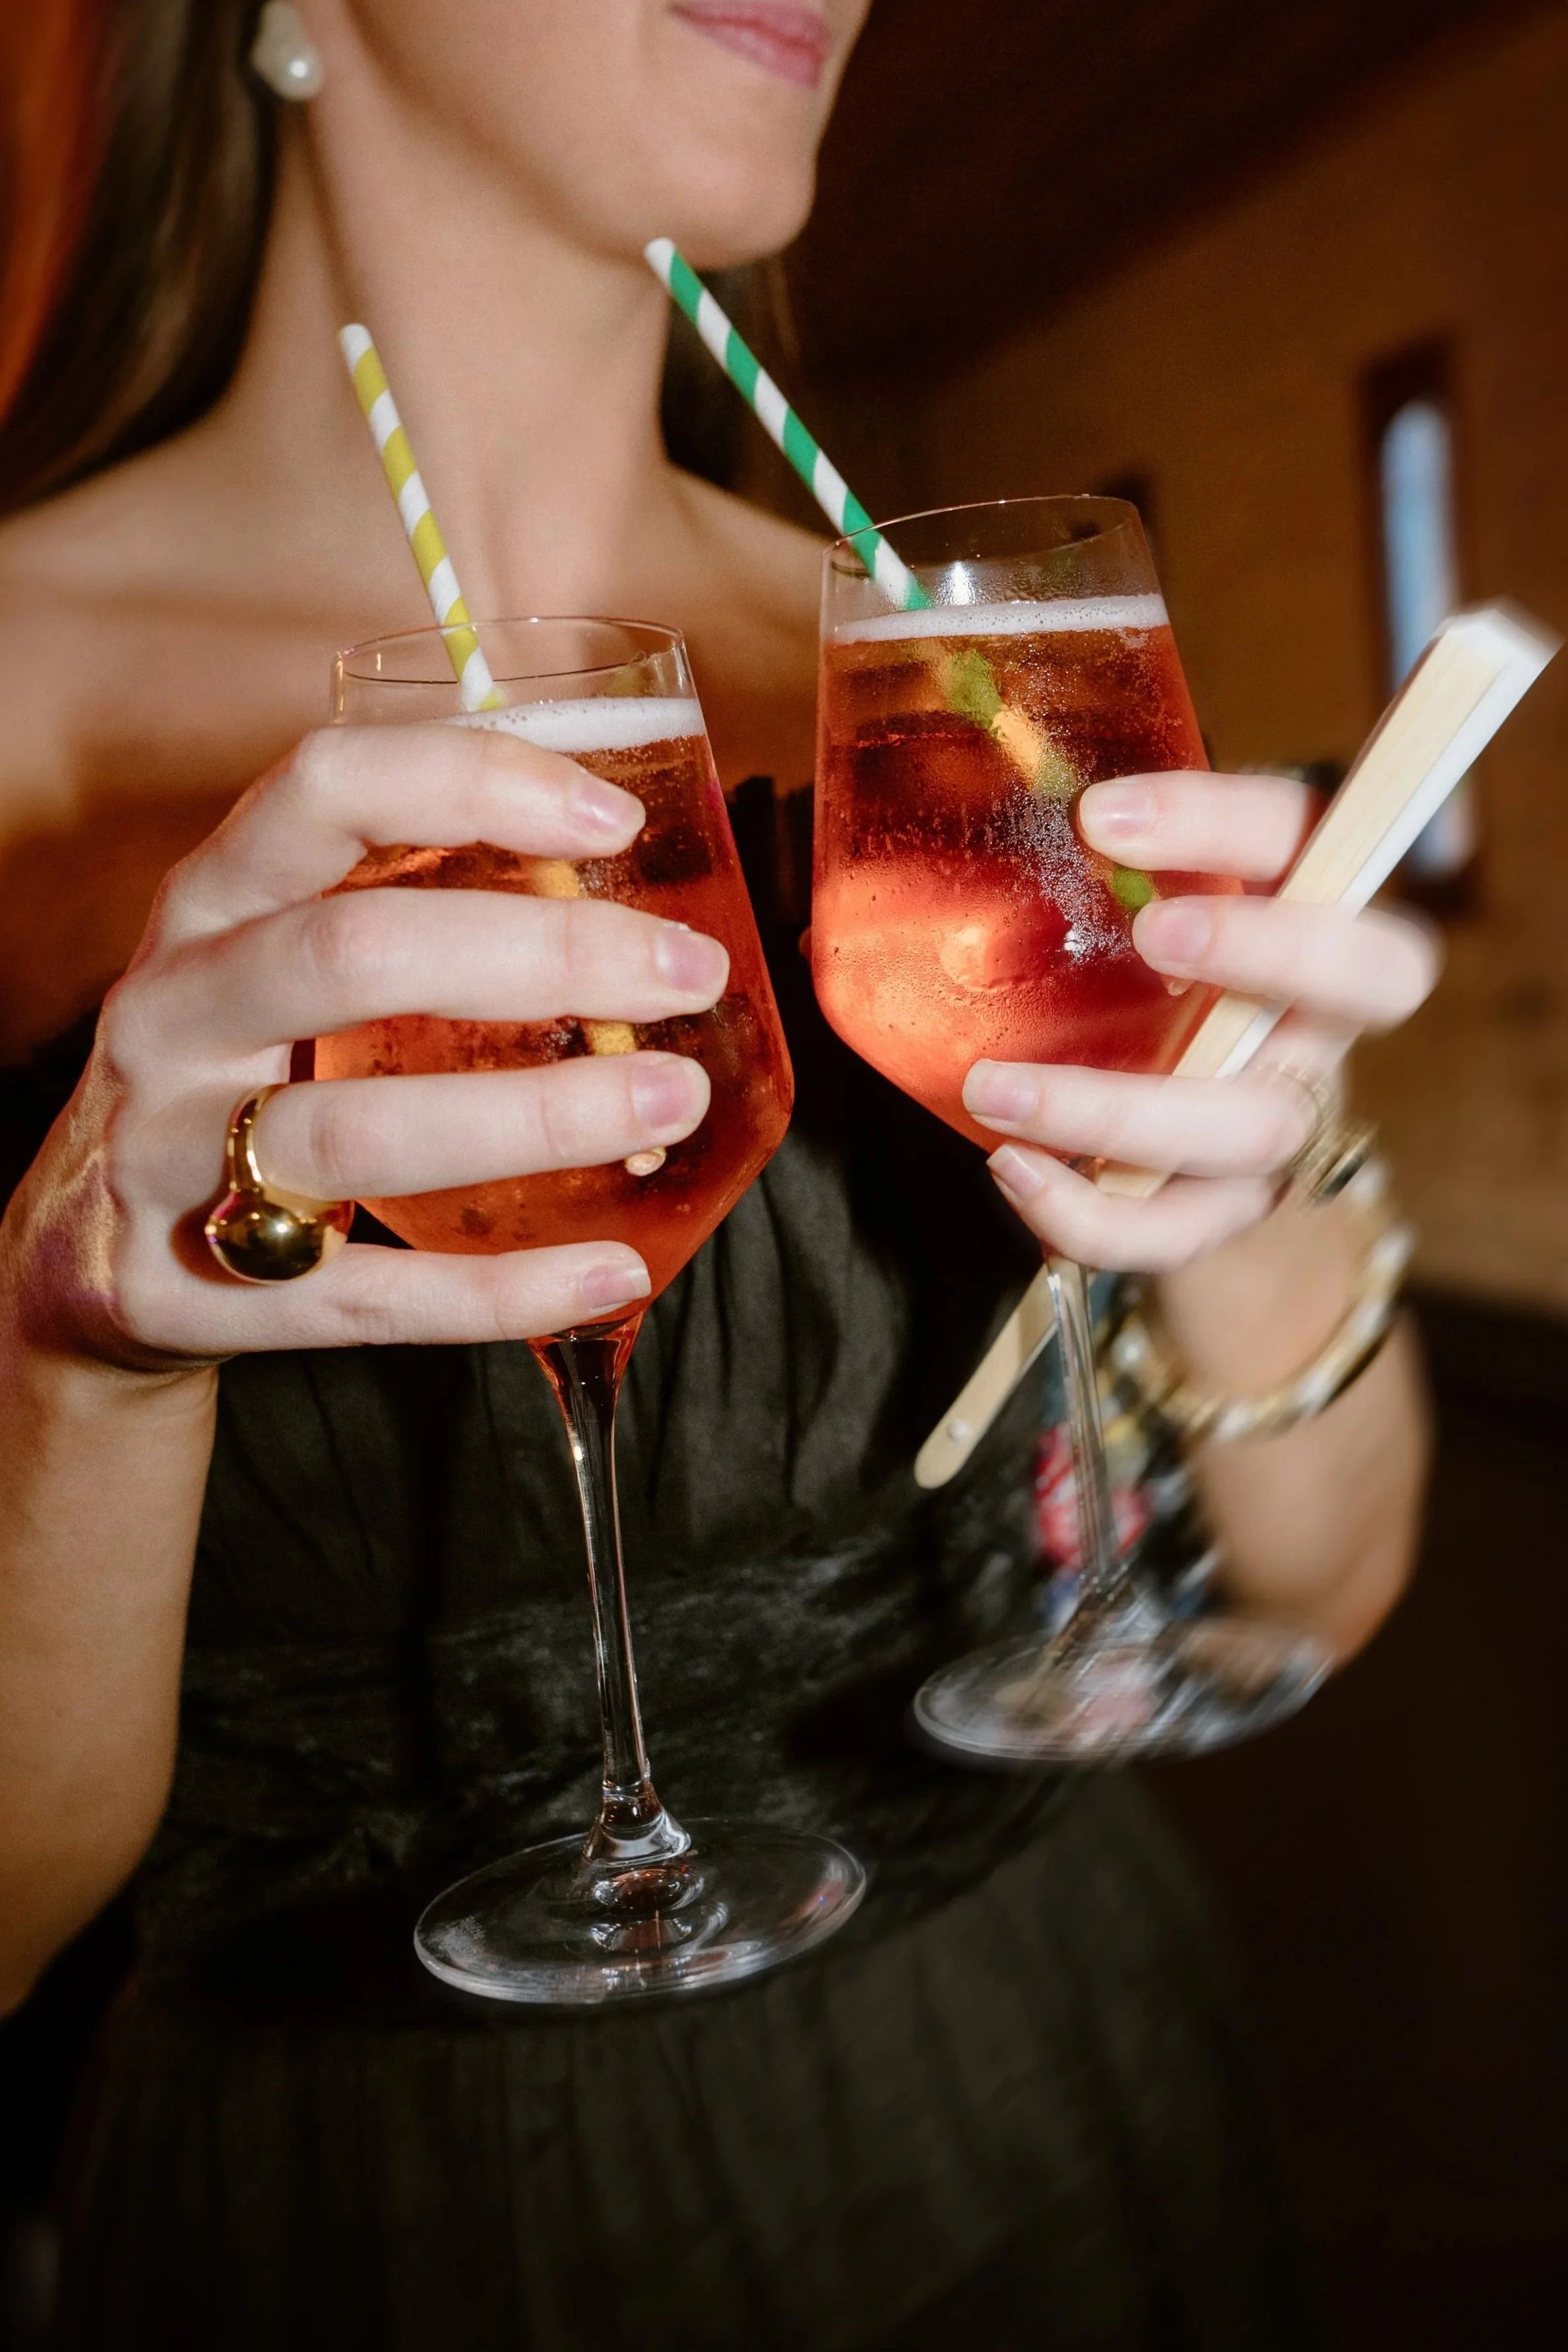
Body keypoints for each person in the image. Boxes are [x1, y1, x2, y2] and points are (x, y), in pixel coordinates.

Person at [0, 3, 1435, 2345]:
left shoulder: (935, 684)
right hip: (380, 2233)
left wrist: (1248, 1162)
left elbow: (1329, 1573)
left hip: (1059, 2091)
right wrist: (78, 1349)